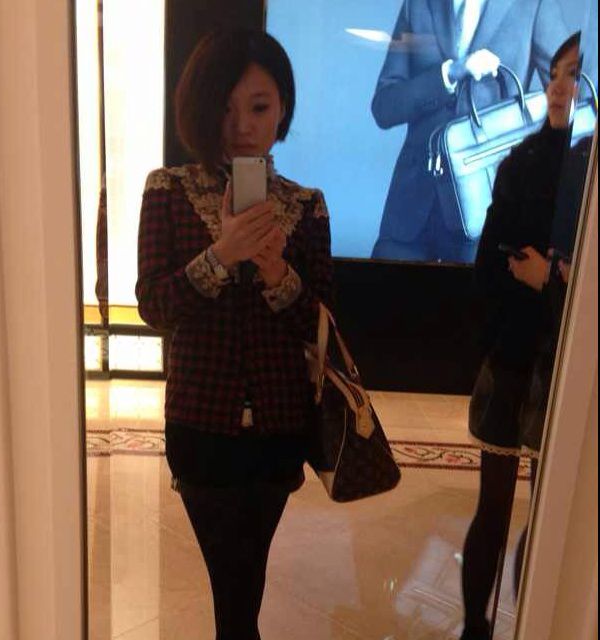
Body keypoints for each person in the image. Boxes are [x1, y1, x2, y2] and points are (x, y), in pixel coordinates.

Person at [135, 29, 333, 640]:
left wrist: (275, 271)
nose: (243, 126)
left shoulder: (307, 205)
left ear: (283, 109)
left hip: (280, 428)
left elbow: (320, 326)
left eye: (259, 106)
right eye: (225, 107)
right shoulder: (167, 191)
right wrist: (221, 255)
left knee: (245, 583)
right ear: (200, 108)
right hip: (201, 426)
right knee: (235, 585)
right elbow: (155, 308)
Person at [460, 33, 583, 640]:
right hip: (514, 355)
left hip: (571, 365)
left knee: (551, 512)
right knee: (494, 507)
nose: (560, 86)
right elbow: (487, 265)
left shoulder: (587, 170)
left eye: (575, 74)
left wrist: (552, 276)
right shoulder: (521, 162)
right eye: (555, 72)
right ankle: (475, 627)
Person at [370, 0, 568, 262]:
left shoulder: (534, 3)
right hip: (409, 216)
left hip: (486, 217)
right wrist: (449, 73)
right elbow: (384, 107)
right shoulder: (418, 3)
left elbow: (572, 104)